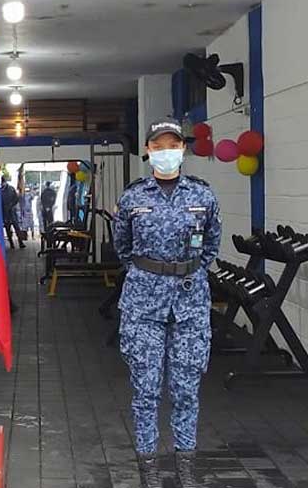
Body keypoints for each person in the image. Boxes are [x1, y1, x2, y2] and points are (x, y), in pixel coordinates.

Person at [112, 119, 222, 488]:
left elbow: (209, 247)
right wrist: (152, 274)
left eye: (172, 145)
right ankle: (149, 470)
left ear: (183, 149)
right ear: (147, 151)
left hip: (190, 302)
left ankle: (186, 467)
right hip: (143, 305)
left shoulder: (203, 196)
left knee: (186, 388)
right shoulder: (133, 197)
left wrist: (183, 271)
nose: (165, 152)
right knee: (145, 389)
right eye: (158, 146)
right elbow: (123, 248)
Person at [0, 176, 24, 249]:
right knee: (10, 228)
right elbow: (16, 199)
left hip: (9, 212)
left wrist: (11, 205)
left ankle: (19, 243)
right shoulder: (3, 190)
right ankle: (14, 243)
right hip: (7, 212)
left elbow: (16, 199)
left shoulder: (5, 190)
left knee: (15, 228)